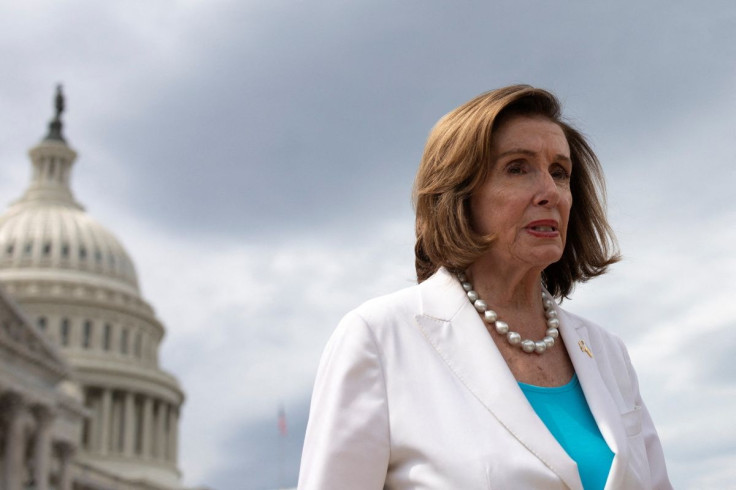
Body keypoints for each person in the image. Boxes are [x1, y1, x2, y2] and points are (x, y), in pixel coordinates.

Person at [298, 85, 672, 489]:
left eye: (560, 173)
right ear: (460, 195)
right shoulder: (378, 336)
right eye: (517, 168)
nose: (549, 192)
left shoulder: (608, 353)